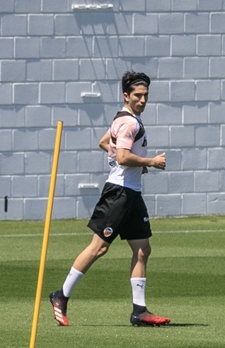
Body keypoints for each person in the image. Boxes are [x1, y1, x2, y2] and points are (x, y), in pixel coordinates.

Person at [50, 71, 171, 327]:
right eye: (137, 95)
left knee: (142, 250)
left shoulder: (124, 118)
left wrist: (135, 163)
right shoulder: (129, 123)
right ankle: (61, 295)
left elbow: (105, 142)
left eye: (146, 95)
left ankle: (139, 311)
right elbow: (124, 157)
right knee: (99, 248)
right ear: (126, 95)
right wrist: (150, 161)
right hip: (119, 193)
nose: (143, 100)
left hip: (132, 194)